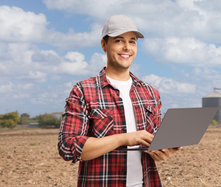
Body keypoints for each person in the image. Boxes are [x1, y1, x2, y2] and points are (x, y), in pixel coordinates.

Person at [58, 15, 181, 187]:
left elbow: (153, 142)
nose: (126, 47)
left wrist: (163, 151)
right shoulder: (83, 91)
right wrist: (124, 139)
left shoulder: (150, 93)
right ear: (104, 45)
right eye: (118, 40)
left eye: (132, 41)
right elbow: (68, 147)